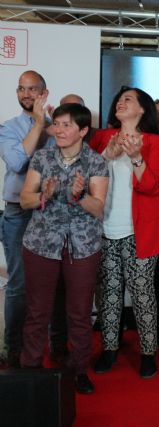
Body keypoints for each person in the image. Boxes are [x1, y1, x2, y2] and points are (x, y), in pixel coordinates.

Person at [19, 103, 108, 394]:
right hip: (41, 244)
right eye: (56, 124)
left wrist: (79, 196)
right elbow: (25, 200)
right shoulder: (42, 158)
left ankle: (78, 370)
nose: (58, 130)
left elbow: (98, 208)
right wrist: (43, 195)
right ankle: (30, 369)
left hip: (82, 247)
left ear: (82, 130)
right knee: (37, 311)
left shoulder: (96, 162)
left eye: (66, 125)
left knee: (79, 313)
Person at [90, 86, 159, 379]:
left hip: (140, 231)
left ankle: (148, 353)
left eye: (128, 100)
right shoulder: (103, 137)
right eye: (119, 99)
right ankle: (109, 348)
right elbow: (85, 176)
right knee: (109, 293)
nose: (121, 103)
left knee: (142, 293)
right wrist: (106, 155)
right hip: (105, 228)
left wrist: (136, 157)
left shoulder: (154, 142)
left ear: (142, 109)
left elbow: (152, 187)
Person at [0, 70, 51, 368]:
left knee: (50, 282)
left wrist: (48, 124)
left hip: (50, 211)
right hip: (18, 213)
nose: (26, 94)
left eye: (32, 89)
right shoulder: (8, 127)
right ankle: (13, 348)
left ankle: (50, 346)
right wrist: (39, 125)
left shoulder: (60, 125)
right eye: (21, 89)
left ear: (44, 93)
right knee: (19, 283)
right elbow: (18, 161)